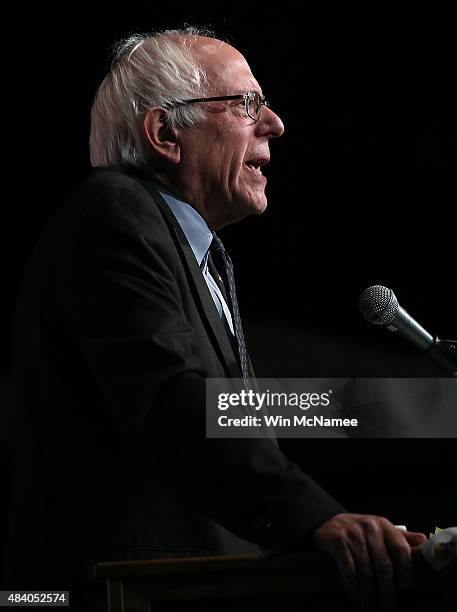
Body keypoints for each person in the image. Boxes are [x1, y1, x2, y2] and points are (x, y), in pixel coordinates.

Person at [5, 27, 426, 610]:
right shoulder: (115, 216)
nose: (275, 123)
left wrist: (420, 409)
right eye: (246, 103)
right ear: (164, 134)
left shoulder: (195, 250)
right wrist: (315, 520)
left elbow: (233, 418)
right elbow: (173, 402)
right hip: (97, 594)